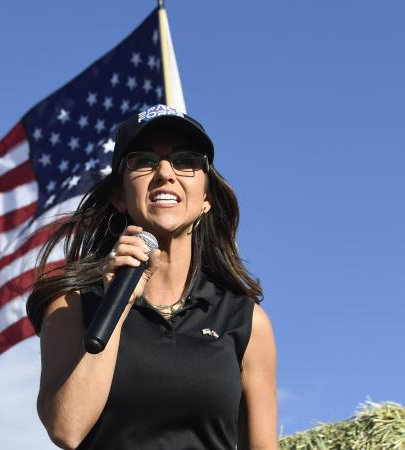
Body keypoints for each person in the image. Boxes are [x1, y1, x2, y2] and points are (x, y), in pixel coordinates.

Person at [25, 104, 278, 450]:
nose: (165, 173)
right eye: (143, 161)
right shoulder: (72, 305)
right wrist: (119, 304)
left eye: (186, 161)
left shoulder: (246, 320)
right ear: (119, 195)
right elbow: (66, 429)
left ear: (207, 198)